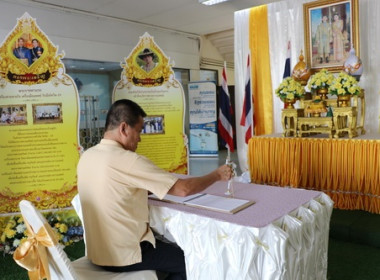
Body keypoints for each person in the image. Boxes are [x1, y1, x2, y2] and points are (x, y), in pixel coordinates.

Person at [77, 99, 232, 279]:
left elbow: (115, 188)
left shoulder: (87, 156)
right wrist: (217, 175)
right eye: (139, 131)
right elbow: (183, 190)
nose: (140, 138)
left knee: (167, 249)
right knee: (190, 260)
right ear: (124, 128)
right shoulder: (128, 160)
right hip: (124, 254)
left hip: (96, 252)